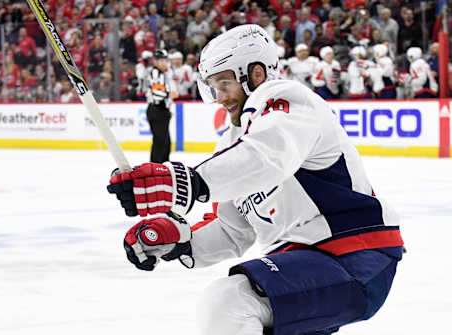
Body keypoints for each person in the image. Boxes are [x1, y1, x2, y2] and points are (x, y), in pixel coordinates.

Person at [107, 25, 403, 335]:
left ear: (256, 74)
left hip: (354, 255)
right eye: (212, 86)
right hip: (306, 262)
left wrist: (183, 182)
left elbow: (268, 156)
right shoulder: (232, 142)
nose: (220, 97)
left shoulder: (289, 101)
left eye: (224, 83)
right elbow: (233, 230)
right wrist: (181, 242)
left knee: (228, 302)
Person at [145, 49, 177, 163]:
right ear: (156, 62)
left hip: (161, 110)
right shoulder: (156, 73)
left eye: (165, 60)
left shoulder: (161, 74)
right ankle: (156, 167)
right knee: (161, 142)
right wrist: (169, 94)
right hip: (157, 109)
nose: (165, 63)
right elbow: (157, 93)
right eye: (162, 60)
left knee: (164, 142)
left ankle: (161, 167)